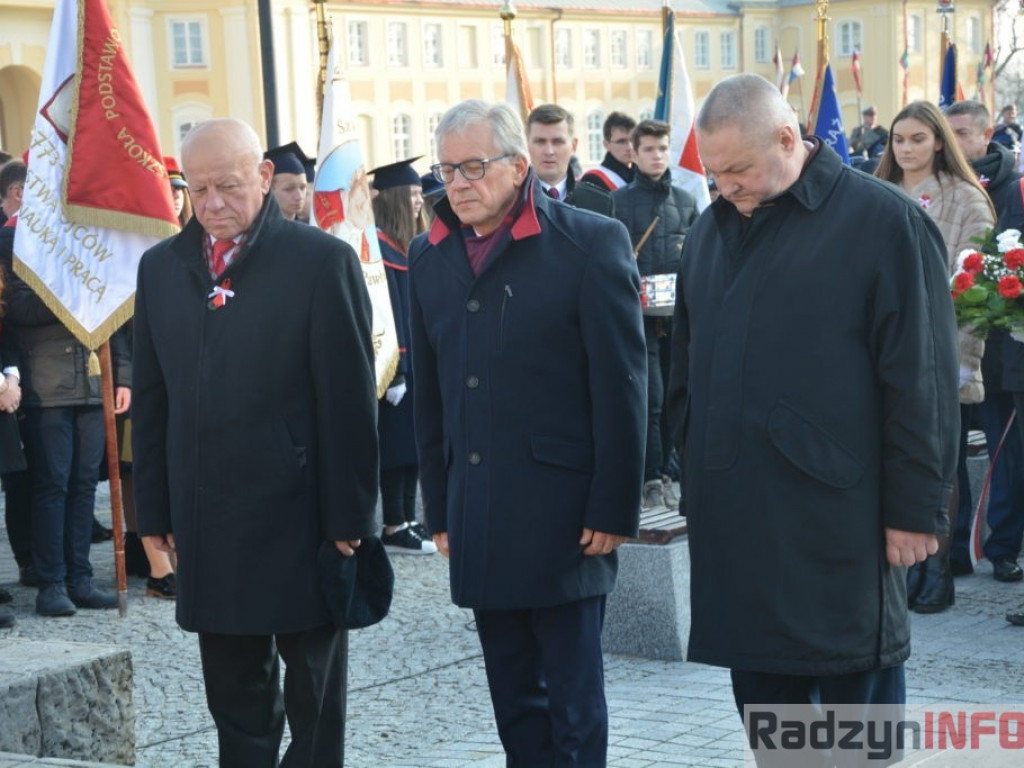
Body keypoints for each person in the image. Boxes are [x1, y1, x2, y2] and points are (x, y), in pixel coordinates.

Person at [666, 75, 958, 756]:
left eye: (739, 169)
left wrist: (916, 508)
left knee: (858, 738)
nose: (725, 187)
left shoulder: (883, 222)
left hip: (841, 525)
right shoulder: (710, 232)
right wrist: (694, 466)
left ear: (787, 138)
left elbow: (921, 378)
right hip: (738, 529)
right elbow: (686, 368)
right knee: (776, 735)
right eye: (714, 173)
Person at [132, 118, 378, 767]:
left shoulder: (320, 262)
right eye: (198, 188)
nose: (213, 203)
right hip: (209, 518)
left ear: (265, 176)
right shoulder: (160, 269)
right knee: (235, 697)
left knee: (314, 697)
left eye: (229, 186)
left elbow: (350, 403)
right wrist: (154, 512)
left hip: (303, 518)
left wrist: (351, 517)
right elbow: (153, 401)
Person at [410, 99, 646, 766]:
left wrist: (613, 505)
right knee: (515, 701)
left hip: (565, 517)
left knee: (574, 706)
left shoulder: (589, 243)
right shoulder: (430, 257)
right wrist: (440, 510)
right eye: (448, 169)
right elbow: (431, 396)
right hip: (479, 510)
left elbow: (623, 386)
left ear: (518, 167)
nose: (458, 183)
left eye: (474, 166)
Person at [875, 100, 996, 613]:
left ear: (940, 141)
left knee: (940, 467)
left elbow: (976, 286)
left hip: (943, 351)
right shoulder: (877, 191)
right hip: (883, 353)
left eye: (918, 139)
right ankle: (903, 567)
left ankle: (937, 568)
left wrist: (958, 358)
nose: (906, 149)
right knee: (893, 462)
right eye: (898, 139)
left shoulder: (966, 197)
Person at [944, 100, 1024, 587]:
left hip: (1000, 348)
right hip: (952, 343)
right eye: (946, 133)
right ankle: (955, 548)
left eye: (961, 133)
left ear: (986, 134)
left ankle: (1003, 548)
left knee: (1005, 453)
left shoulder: (1013, 188)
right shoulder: (941, 186)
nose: (952, 141)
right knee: (952, 451)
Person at [612, 119, 699, 513]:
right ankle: (648, 476)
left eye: (662, 148)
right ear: (634, 152)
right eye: (648, 149)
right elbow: (609, 261)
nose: (657, 155)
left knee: (676, 394)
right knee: (651, 399)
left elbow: (698, 257)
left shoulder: (686, 201)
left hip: (677, 318)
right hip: (637, 318)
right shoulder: (619, 202)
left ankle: (667, 472)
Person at [369, 157, 436, 554]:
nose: (417, 201)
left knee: (413, 446)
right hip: (394, 365)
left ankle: (409, 520)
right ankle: (394, 524)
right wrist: (398, 370)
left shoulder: (409, 245)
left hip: (415, 365)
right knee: (396, 449)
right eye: (410, 194)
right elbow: (389, 312)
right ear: (392, 198)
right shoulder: (378, 246)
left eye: (418, 194)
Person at [525, 103, 614, 216]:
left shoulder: (599, 202)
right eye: (540, 142)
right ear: (526, 145)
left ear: (573, 146)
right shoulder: (511, 204)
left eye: (558, 142)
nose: (549, 151)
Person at [581, 111, 636, 192]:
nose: (629, 147)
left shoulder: (643, 174)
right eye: (621, 141)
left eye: (632, 140)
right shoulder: (593, 179)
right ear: (606, 144)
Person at [265, 143, 310, 222]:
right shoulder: (257, 229)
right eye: (289, 189)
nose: (299, 196)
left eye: (302, 187)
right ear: (269, 188)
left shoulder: (310, 227)